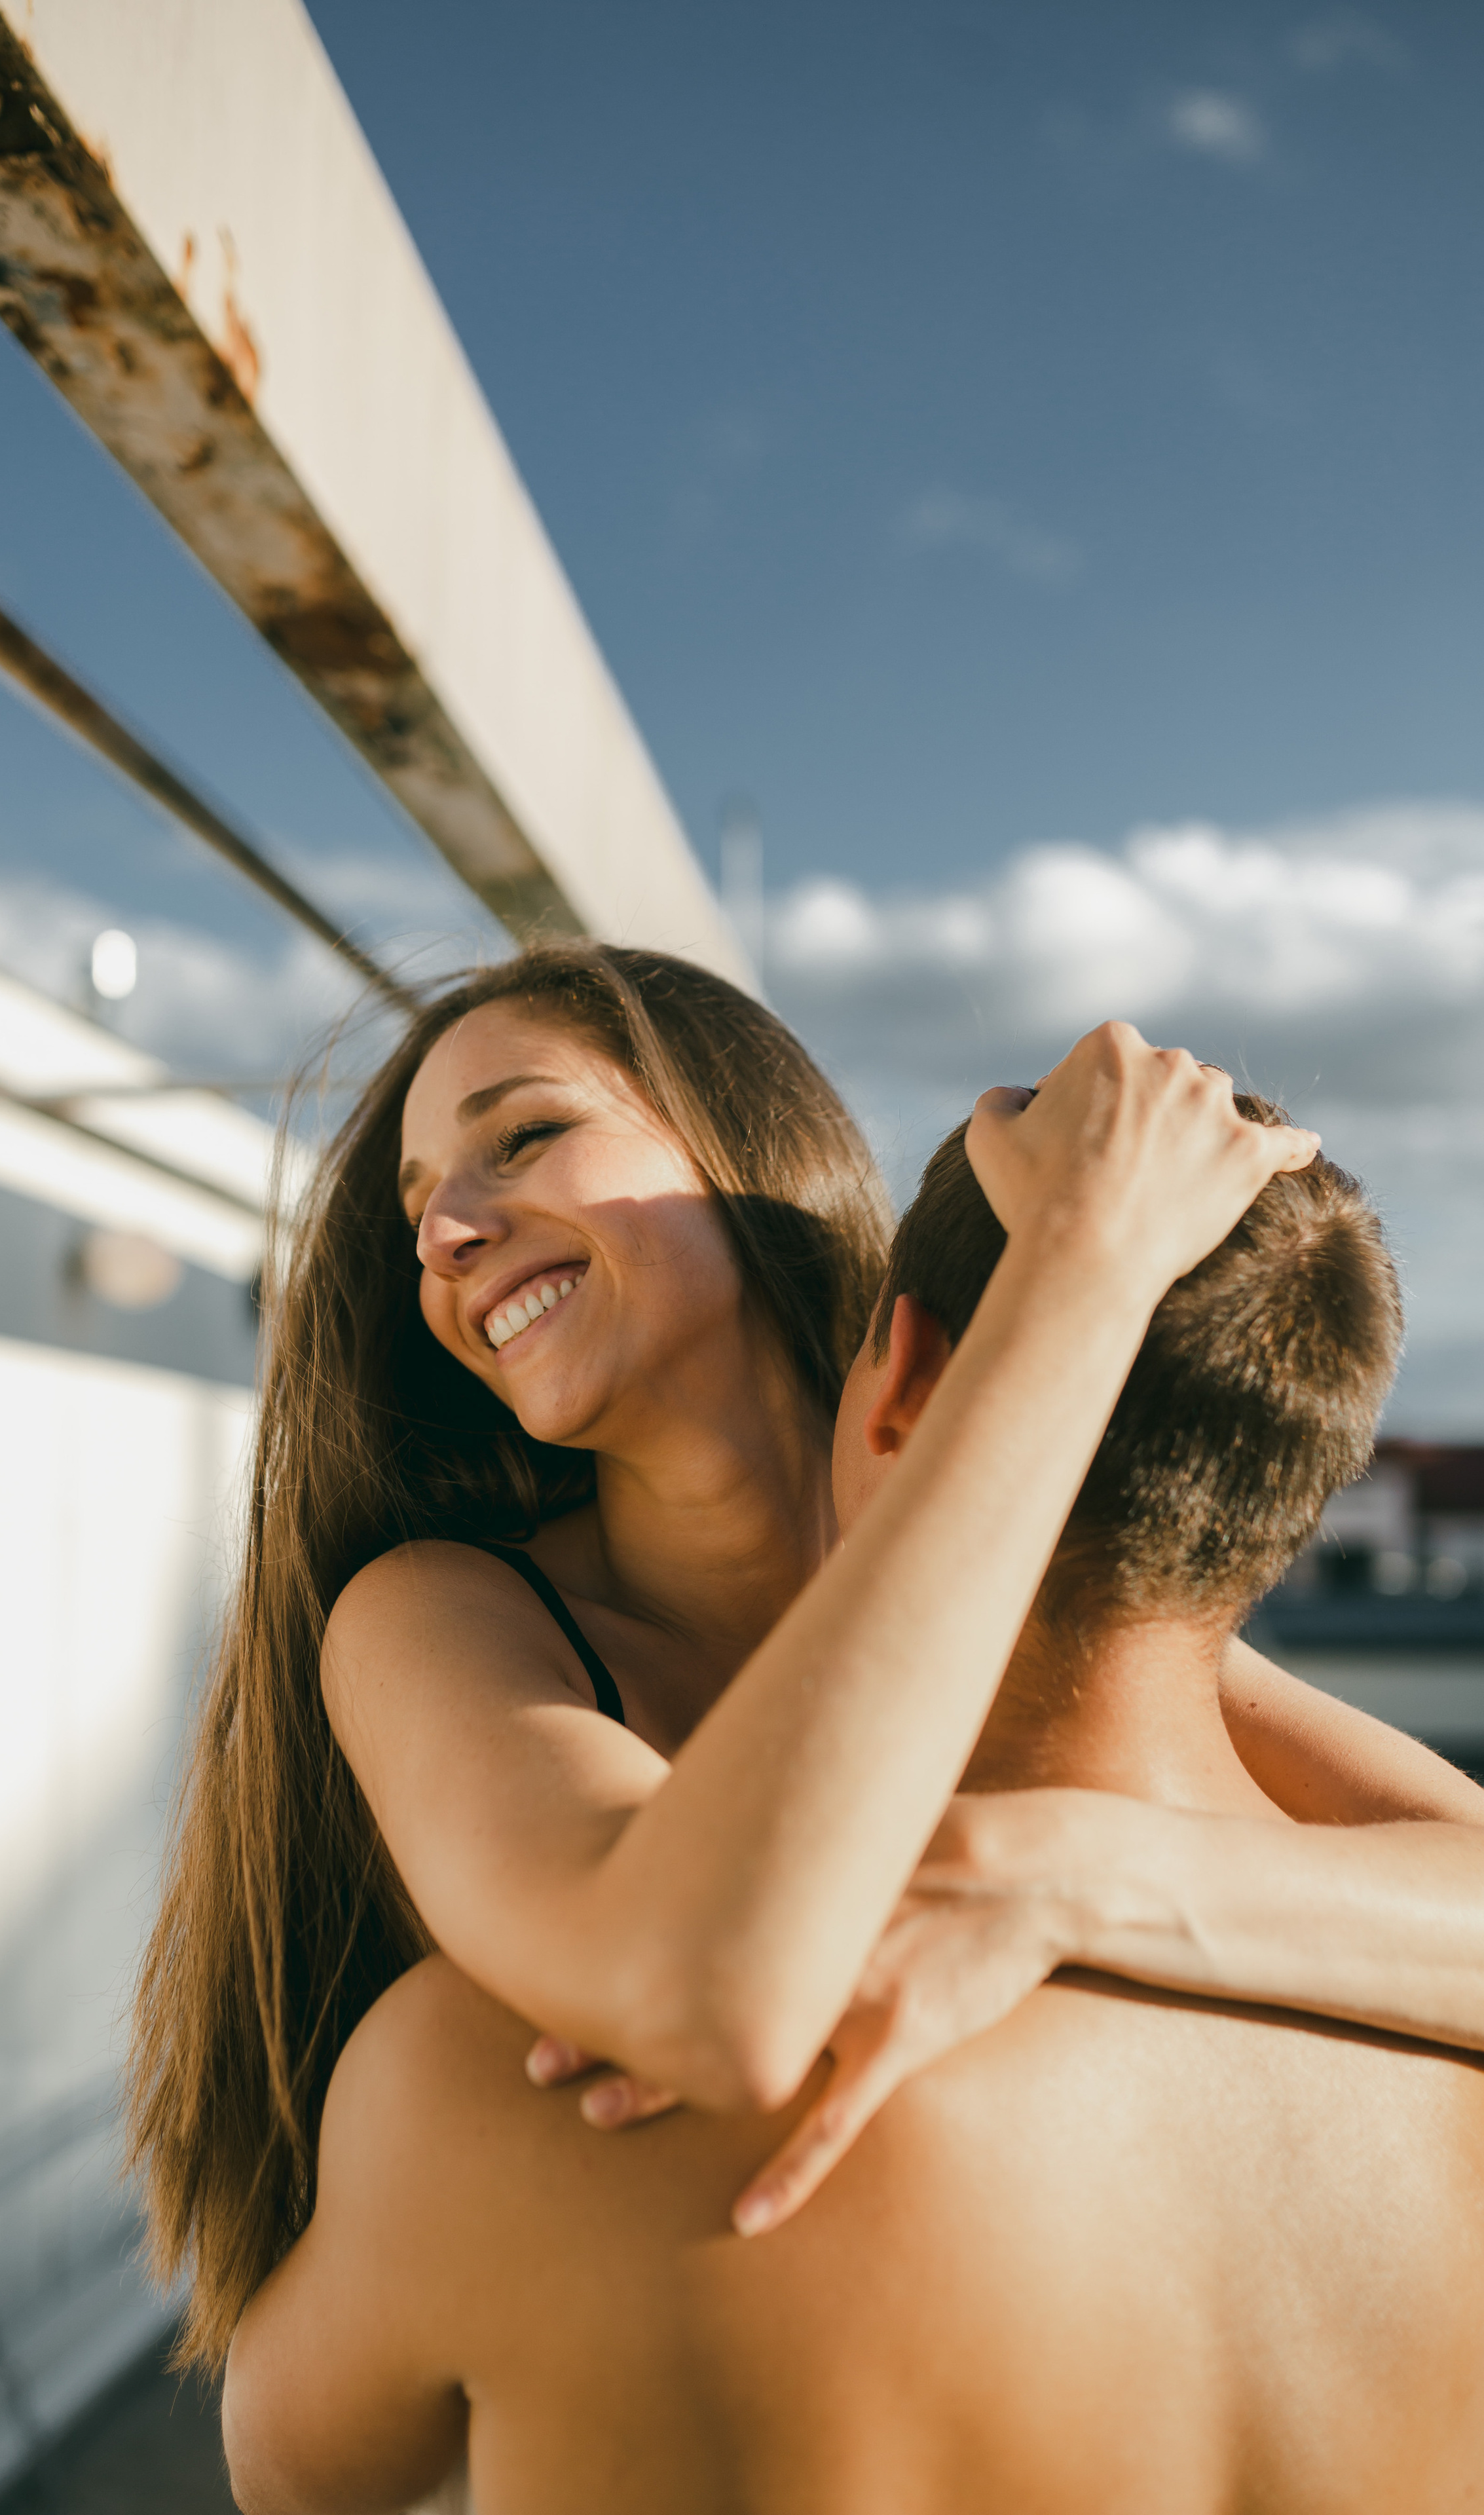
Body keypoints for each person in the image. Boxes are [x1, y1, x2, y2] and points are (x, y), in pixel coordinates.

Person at [127, 946, 1484, 2376]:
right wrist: (1087, 1258)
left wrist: (1061, 1875)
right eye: (415, 1212)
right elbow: (707, 1988)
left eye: (522, 1137)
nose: (444, 1233)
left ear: (740, 1138)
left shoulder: (1032, 1573)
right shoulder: (437, 1622)